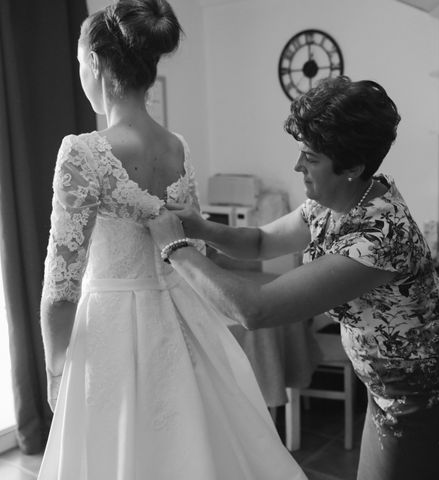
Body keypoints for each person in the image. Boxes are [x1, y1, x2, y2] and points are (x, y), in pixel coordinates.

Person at [148, 76, 439, 480]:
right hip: (387, 389)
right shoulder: (336, 201)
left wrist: (175, 249)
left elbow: (256, 309)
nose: (297, 166)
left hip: (425, 395)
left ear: (352, 167)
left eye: (310, 157)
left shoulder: (381, 235)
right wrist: (200, 227)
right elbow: (261, 241)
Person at [38, 1, 307, 479]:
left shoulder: (81, 154)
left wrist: (56, 371)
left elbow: (62, 286)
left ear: (97, 64)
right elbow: (196, 247)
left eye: (80, 63)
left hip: (111, 333)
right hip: (183, 321)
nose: (80, 73)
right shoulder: (176, 146)